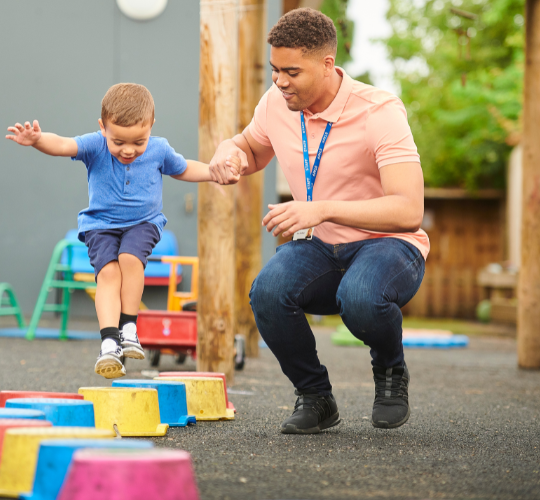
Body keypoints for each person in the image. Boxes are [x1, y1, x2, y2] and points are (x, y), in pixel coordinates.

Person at [210, 8, 429, 434]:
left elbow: (408, 210)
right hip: (321, 247)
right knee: (268, 292)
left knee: (361, 296)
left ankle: (390, 371)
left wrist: (321, 207)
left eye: (291, 71)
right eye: (275, 69)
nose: (279, 81)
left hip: (388, 244)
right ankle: (314, 396)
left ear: (328, 64)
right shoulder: (276, 104)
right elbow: (251, 149)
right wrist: (229, 151)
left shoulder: (379, 111)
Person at [6, 83, 240, 379]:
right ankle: (108, 341)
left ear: (151, 127)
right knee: (108, 274)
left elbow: (183, 169)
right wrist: (38, 140)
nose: (128, 150)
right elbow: (63, 144)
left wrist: (215, 173)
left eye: (138, 142)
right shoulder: (95, 144)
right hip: (100, 225)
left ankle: (129, 327)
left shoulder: (159, 149)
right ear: (103, 127)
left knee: (130, 259)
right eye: (119, 142)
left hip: (143, 222)